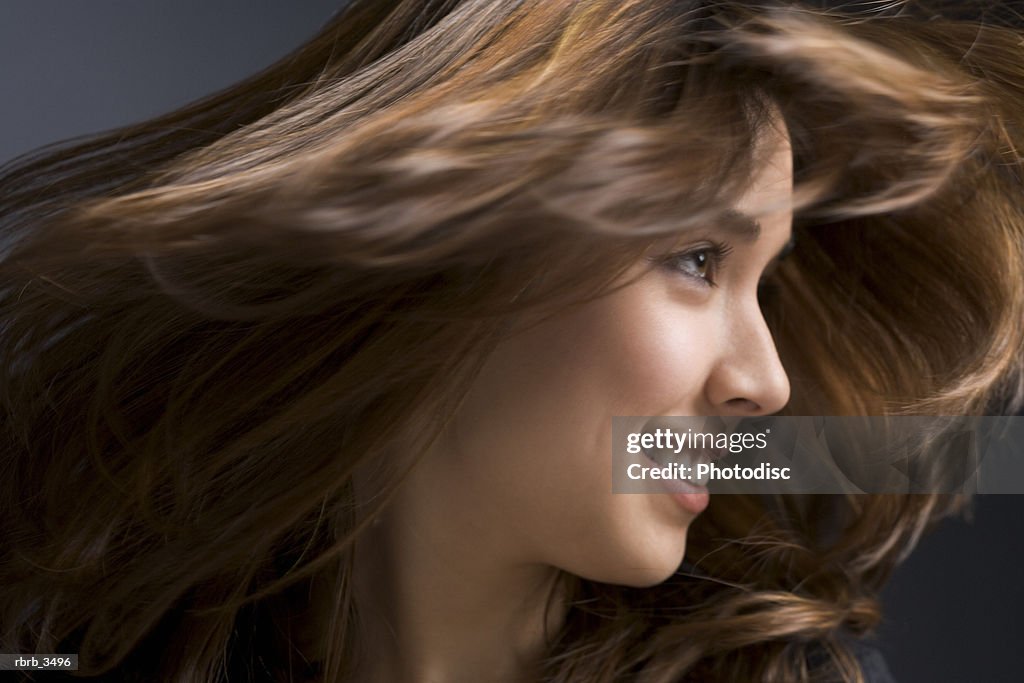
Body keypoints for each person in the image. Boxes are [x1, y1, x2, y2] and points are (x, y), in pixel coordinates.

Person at [2, 1, 1023, 681]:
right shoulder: (94, 642)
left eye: (761, 280)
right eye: (699, 259)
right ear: (469, 250)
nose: (763, 379)